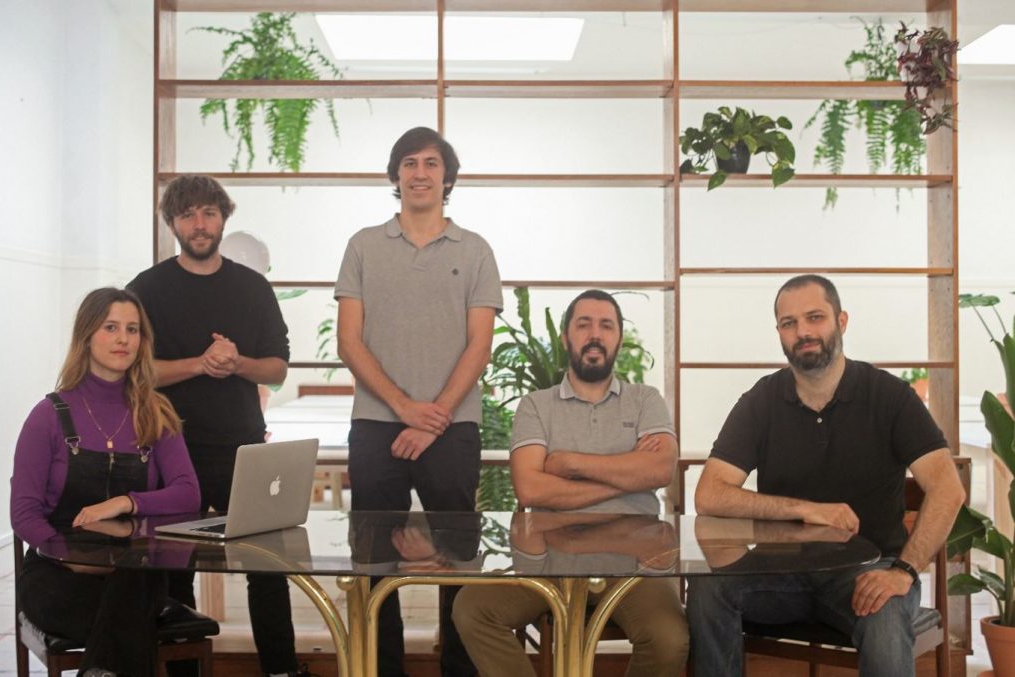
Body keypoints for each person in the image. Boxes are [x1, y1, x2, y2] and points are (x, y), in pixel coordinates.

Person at [687, 274, 966, 677]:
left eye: (815, 317)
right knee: (708, 590)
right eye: (789, 323)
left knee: (885, 617)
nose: (802, 332)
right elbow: (709, 493)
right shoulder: (762, 400)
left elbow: (947, 489)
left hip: (869, 568)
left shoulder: (889, 397)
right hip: (779, 570)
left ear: (842, 320)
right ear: (780, 332)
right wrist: (807, 509)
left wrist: (902, 572)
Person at [335, 126, 503, 677]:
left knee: (458, 563)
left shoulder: (475, 249)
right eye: (409, 163)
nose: (420, 173)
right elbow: (349, 341)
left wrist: (433, 419)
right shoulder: (363, 245)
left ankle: (460, 669)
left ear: (447, 177)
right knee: (375, 564)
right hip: (376, 424)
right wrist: (406, 409)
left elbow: (480, 344)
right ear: (395, 176)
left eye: (431, 163)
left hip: (452, 427)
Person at [452, 289, 690, 677]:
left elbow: (660, 469)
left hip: (635, 563)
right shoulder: (536, 405)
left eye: (606, 325)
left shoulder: (645, 400)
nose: (594, 334)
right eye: (583, 324)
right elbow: (530, 489)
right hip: (548, 558)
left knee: (669, 636)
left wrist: (568, 463)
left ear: (618, 338)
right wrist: (626, 478)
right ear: (566, 337)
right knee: (472, 608)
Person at [128, 175, 302, 677]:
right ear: (172, 224)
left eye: (208, 213)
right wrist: (200, 364)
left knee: (266, 568)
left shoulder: (252, 288)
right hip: (169, 448)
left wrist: (237, 363)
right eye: (187, 215)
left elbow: (276, 367)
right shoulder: (146, 288)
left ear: (223, 218)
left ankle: (281, 670)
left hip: (241, 446)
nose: (198, 224)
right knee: (174, 571)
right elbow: (137, 371)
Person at [11, 287, 201, 677]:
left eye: (133, 329)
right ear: (86, 336)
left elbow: (188, 493)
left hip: (130, 570)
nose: (123, 339)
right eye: (111, 327)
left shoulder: (156, 412)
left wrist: (125, 502)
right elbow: (24, 513)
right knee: (138, 610)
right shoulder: (47, 415)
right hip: (58, 574)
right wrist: (69, 557)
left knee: (137, 578)